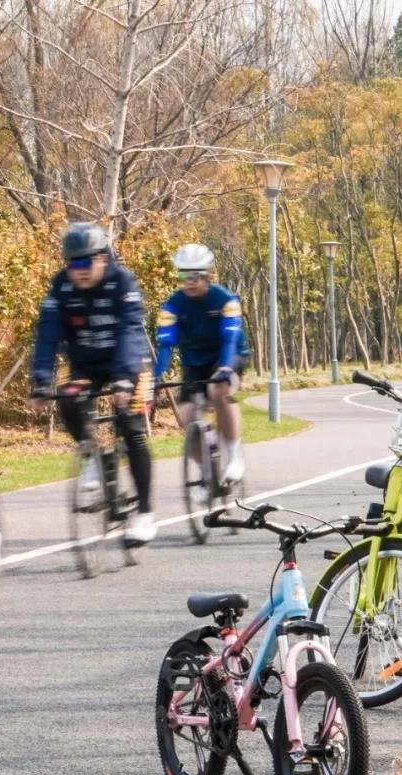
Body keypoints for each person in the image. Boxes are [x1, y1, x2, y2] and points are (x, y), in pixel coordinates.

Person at [31, 223, 157, 545]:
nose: (79, 272)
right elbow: (46, 337)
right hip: (86, 364)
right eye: (73, 264)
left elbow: (131, 330)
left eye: (86, 263)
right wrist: (42, 382)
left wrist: (123, 381)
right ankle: (91, 456)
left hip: (128, 364)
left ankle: (144, 513)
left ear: (102, 258)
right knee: (69, 399)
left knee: (131, 429)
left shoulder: (122, 282)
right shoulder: (60, 288)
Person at [154, 243, 250, 483]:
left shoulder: (226, 300)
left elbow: (230, 339)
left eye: (195, 275)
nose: (189, 281)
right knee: (187, 416)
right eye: (183, 275)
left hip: (227, 356)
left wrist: (226, 368)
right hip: (194, 362)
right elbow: (166, 346)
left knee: (218, 390)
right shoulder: (172, 305)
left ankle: (234, 454)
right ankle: (206, 472)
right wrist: (154, 377)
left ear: (207, 275)